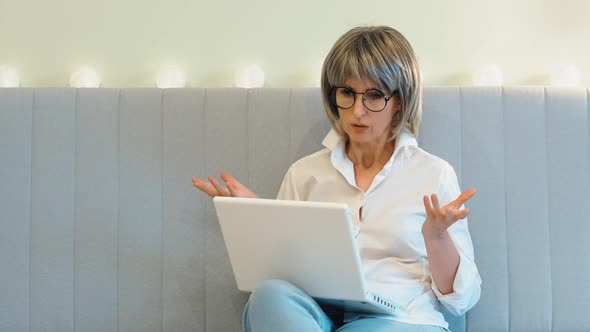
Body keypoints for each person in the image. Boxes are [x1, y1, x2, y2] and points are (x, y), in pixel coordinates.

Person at [192, 25, 481, 332]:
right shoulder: (304, 174)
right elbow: (283, 273)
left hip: (403, 320)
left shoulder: (433, 174)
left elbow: (463, 299)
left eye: (374, 96)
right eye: (346, 93)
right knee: (267, 296)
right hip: (320, 319)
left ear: (399, 101)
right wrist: (258, 216)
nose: (357, 111)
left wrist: (436, 239)